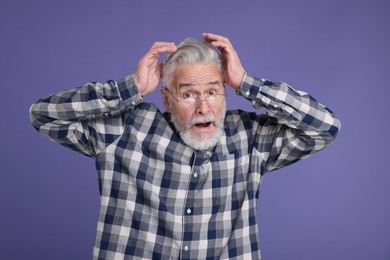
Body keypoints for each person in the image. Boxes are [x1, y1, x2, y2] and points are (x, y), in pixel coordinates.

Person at [30, 32, 340, 259]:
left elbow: (324, 126)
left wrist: (247, 82)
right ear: (166, 99)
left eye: (213, 92)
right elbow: (43, 115)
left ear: (225, 94)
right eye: (189, 94)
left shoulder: (250, 137)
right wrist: (132, 88)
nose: (204, 107)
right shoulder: (125, 130)